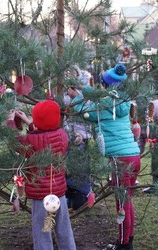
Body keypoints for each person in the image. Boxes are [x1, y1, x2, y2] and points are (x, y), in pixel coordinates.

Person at [67, 64, 141, 250]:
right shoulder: (122, 100)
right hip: (133, 156)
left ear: (106, 86)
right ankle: (128, 241)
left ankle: (122, 245)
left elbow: (88, 112)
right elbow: (95, 94)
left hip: (120, 160)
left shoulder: (105, 103)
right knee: (127, 201)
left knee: (121, 205)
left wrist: (76, 97)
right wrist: (82, 87)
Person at [6, 100, 76, 250]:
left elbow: (15, 141)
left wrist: (11, 122)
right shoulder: (62, 135)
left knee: (42, 234)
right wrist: (28, 121)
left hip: (41, 197)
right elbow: (44, 134)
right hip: (59, 195)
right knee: (64, 231)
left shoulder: (31, 141)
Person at [63, 65, 95, 210]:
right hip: (68, 131)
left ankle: (82, 195)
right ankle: (70, 195)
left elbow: (89, 108)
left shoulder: (85, 87)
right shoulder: (63, 88)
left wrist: (76, 97)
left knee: (81, 166)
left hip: (82, 133)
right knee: (69, 165)